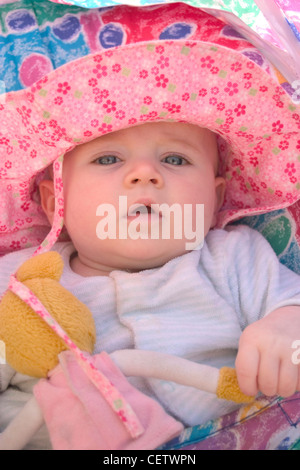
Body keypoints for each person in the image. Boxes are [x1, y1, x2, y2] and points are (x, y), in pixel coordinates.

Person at [0, 3, 300, 450]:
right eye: (108, 159)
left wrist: (284, 331)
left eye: (175, 159)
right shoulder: (22, 280)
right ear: (53, 200)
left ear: (216, 197)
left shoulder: (236, 256)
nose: (144, 174)